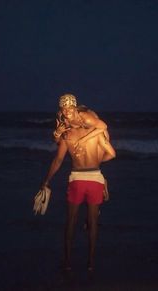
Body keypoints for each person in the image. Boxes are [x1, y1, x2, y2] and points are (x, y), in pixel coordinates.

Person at [41, 94, 116, 271]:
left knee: (70, 222)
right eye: (64, 109)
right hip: (95, 178)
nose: (67, 112)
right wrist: (97, 164)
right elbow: (112, 154)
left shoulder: (68, 136)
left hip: (76, 178)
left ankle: (67, 262)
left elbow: (57, 161)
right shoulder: (96, 134)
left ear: (75, 110)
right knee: (92, 222)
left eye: (69, 109)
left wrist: (46, 182)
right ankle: (90, 262)